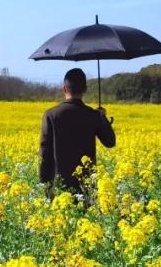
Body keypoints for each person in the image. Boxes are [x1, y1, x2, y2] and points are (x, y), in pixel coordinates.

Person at [39, 67, 115, 195]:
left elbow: (44, 151)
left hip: (59, 185)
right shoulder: (93, 115)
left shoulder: (50, 115)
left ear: (64, 89)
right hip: (86, 186)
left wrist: (43, 181)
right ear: (85, 89)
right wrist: (103, 118)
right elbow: (110, 142)